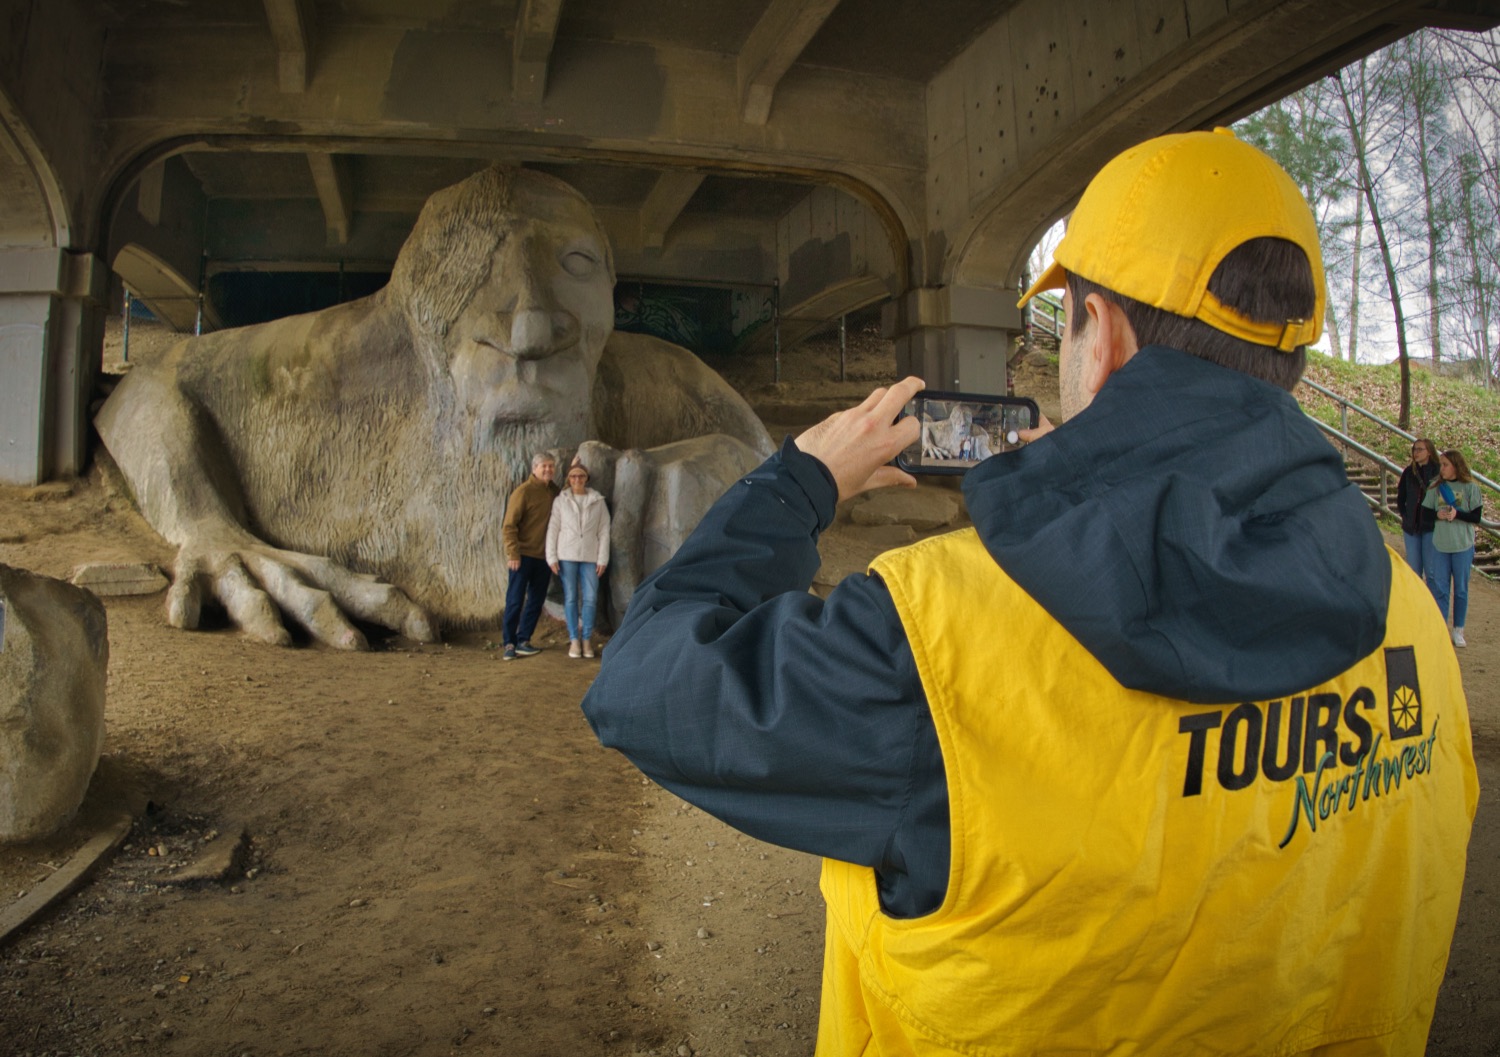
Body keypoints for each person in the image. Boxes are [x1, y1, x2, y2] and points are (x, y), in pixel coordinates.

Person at [581, 129, 1477, 1055]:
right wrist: (1081, 498)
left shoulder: (934, 637)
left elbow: (641, 679)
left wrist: (798, 484)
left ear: (1104, 333)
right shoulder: (1406, 610)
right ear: (1285, 355)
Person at [546, 459, 611, 659]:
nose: (577, 479)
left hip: (590, 556)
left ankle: (586, 639)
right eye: (573, 476)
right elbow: (553, 529)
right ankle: (574, 639)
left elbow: (604, 531)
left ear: (587, 478)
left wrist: (602, 559)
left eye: (581, 476)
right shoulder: (561, 500)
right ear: (569, 479)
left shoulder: (598, 501)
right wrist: (551, 556)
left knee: (590, 598)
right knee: (571, 597)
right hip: (567, 555)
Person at [1422, 448, 1484, 647]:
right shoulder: (1435, 487)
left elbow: (1476, 517)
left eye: (1445, 465)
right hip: (1440, 545)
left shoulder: (1471, 488)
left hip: (1462, 545)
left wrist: (1458, 514)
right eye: (1441, 464)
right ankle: (1440, 627)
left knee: (1461, 590)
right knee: (1440, 589)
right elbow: (1424, 514)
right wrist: (1436, 516)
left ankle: (1458, 630)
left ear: (1456, 466)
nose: (1442, 468)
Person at [500, 453, 558, 660]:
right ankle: (509, 643)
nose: (548, 470)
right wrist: (513, 553)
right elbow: (509, 526)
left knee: (536, 600)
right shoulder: (523, 492)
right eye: (544, 466)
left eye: (551, 466)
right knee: (515, 600)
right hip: (522, 556)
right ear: (534, 468)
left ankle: (524, 640)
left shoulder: (554, 491)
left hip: (544, 558)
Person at [1396, 438, 1440, 575]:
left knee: (1431, 570)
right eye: (1414, 449)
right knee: (1414, 571)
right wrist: (1405, 515)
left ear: (1429, 452)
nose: (1416, 452)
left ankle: (1431, 597)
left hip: (1431, 527)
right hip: (1411, 527)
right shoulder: (1409, 472)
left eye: (1420, 449)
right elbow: (1401, 497)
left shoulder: (1438, 472)